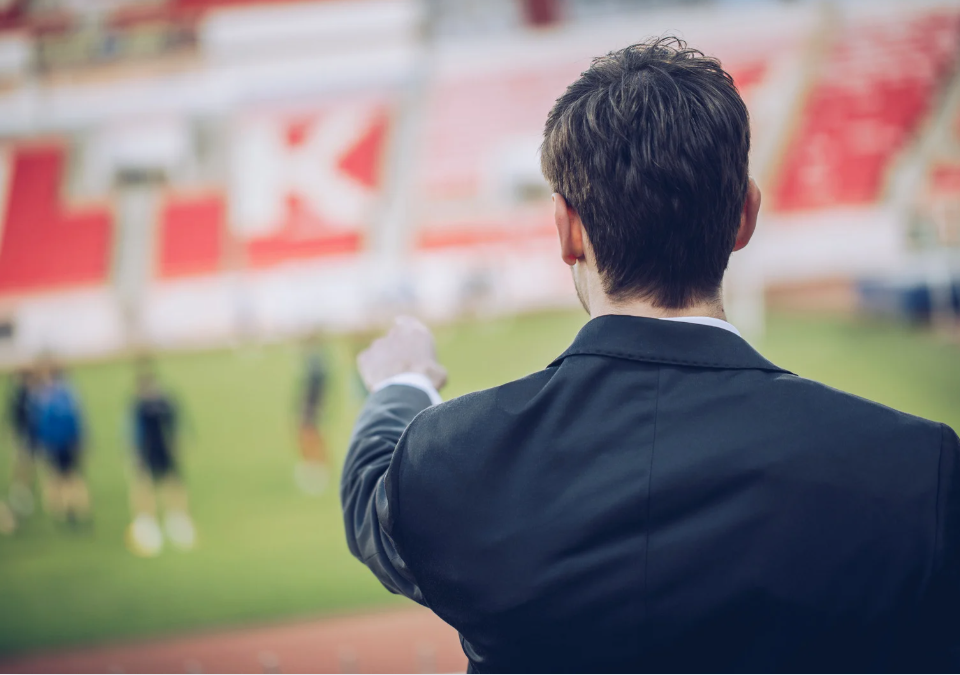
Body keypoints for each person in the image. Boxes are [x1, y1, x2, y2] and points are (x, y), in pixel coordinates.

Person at [341, 38, 960, 672]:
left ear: (567, 228)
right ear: (744, 216)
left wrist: (402, 385)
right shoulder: (919, 471)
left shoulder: (451, 462)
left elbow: (372, 502)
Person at [126, 368, 196, 556]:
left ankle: (177, 517)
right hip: (147, 451)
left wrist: (179, 444)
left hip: (163, 450)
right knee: (145, 484)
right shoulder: (138, 406)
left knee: (171, 483)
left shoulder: (164, 403)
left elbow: (177, 425)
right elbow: (132, 432)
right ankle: (147, 519)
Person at [34, 363, 90, 526]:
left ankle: (62, 511)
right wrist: (81, 440)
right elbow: (78, 420)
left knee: (57, 478)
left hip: (56, 444)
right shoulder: (69, 395)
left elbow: (42, 425)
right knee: (70, 477)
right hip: (67, 443)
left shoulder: (45, 397)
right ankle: (74, 509)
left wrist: (42, 444)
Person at [294, 340, 330, 495]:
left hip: (311, 408)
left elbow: (315, 391)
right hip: (311, 407)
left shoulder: (316, 367)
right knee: (308, 434)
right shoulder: (317, 365)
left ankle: (316, 466)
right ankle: (315, 465)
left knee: (309, 434)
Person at [4, 367, 40, 525]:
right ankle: (20, 494)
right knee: (23, 466)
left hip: (29, 437)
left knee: (26, 466)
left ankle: (22, 492)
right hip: (25, 437)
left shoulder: (26, 395)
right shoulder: (21, 396)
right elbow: (15, 418)